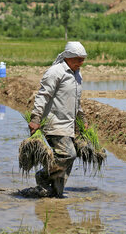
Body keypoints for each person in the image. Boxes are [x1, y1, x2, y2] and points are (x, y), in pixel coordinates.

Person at [28, 41, 88, 198]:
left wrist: (82, 119)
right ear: (68, 57)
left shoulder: (77, 74)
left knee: (67, 163)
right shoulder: (55, 72)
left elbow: (76, 99)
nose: (81, 63)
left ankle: (54, 194)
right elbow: (43, 95)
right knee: (68, 154)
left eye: (83, 59)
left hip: (68, 124)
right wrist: (35, 118)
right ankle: (43, 175)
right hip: (54, 123)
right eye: (78, 59)